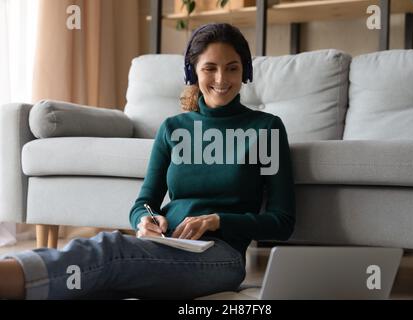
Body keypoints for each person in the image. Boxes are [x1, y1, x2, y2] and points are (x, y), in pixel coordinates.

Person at [0, 23, 295, 300]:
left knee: (110, 253)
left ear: (245, 71)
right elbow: (143, 203)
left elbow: (282, 222)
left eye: (232, 68)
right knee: (100, 276)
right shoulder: (173, 129)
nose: (221, 79)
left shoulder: (264, 129)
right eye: (210, 68)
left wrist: (218, 220)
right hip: (164, 245)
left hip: (220, 257)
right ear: (193, 73)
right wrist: (147, 220)